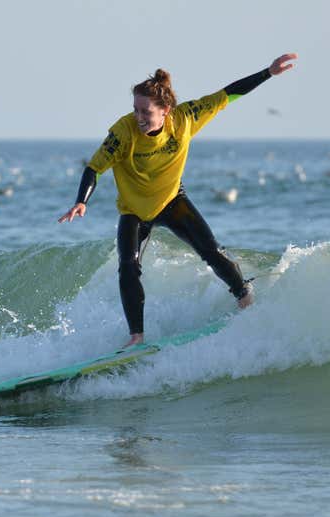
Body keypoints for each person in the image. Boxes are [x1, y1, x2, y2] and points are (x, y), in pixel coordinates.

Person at [58, 53, 298, 347]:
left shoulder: (185, 118)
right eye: (135, 110)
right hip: (134, 210)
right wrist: (81, 201)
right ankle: (136, 336)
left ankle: (244, 296)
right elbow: (94, 167)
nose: (139, 117)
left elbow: (227, 95)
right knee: (128, 266)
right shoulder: (123, 132)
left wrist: (268, 73)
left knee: (211, 251)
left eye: (145, 112)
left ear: (165, 111)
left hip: (172, 201)